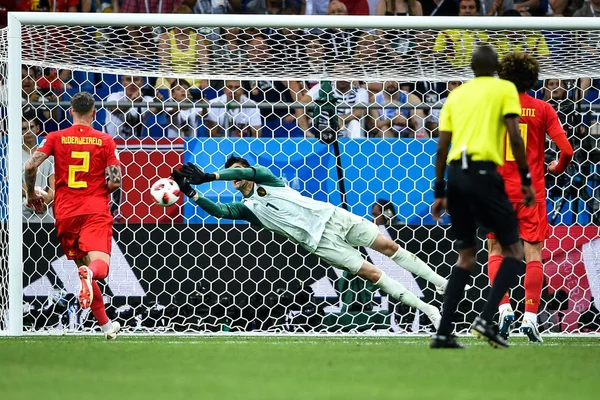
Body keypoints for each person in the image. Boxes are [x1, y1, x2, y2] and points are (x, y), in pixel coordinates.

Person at [172, 156, 451, 330]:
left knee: (388, 247)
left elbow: (243, 173)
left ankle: (441, 283)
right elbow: (220, 211)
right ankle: (429, 310)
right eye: (230, 174)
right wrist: (191, 193)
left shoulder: (266, 177)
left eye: (236, 171)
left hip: (331, 217)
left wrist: (211, 176)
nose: (234, 177)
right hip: (319, 243)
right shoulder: (248, 208)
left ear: (246, 171)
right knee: (373, 274)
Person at [430, 45, 535, 349]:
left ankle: (442, 333)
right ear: (496, 68)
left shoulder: (456, 95)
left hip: (455, 177)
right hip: (483, 174)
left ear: (472, 68)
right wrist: (526, 179)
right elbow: (515, 136)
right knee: (514, 251)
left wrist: (440, 191)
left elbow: (442, 147)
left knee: (466, 256)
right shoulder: (504, 89)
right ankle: (487, 319)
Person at [487, 52, 573, 343]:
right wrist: (556, 168)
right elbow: (568, 151)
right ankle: (531, 318)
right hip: (531, 193)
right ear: (532, 79)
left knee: (496, 250)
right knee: (533, 254)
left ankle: (504, 307)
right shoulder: (543, 109)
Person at [24, 92, 123, 340]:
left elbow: (30, 166)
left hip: (65, 213)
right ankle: (90, 278)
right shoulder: (105, 140)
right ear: (94, 114)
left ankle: (106, 326)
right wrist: (100, 188)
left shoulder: (56, 137)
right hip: (94, 210)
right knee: (98, 268)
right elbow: (115, 182)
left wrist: (30, 195)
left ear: (71, 113)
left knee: (84, 270)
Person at [22, 116, 55, 223]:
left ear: (37, 128)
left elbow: (54, 183)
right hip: (23, 212)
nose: (28, 131)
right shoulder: (13, 154)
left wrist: (48, 198)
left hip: (46, 210)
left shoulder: (48, 154)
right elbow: (16, 184)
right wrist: (37, 197)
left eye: (31, 127)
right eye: (24, 128)